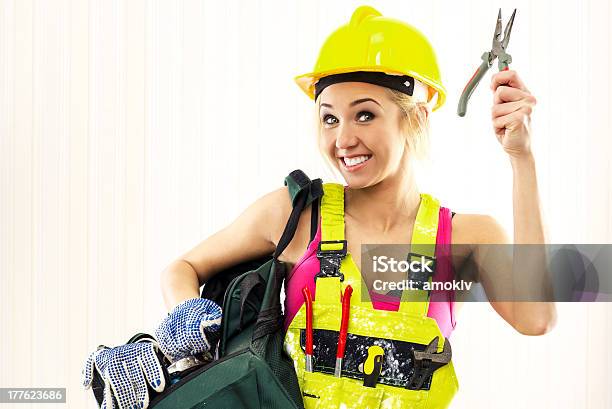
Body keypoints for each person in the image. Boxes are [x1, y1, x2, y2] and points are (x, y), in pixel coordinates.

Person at [85, 5, 557, 409]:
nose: (343, 139)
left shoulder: (464, 239)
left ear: (414, 116)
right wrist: (187, 321)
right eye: (329, 117)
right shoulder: (296, 216)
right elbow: (182, 267)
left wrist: (522, 158)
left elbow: (537, 319)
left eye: (365, 114)